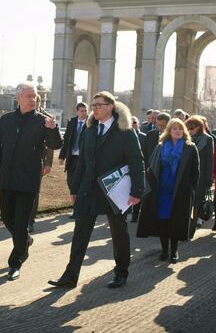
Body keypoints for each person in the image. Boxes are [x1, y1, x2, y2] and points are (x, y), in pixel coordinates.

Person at [48, 91, 145, 289]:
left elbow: (136, 161)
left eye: (98, 105)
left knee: (119, 232)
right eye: (93, 105)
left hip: (114, 190)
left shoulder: (125, 131)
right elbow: (82, 162)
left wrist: (137, 191)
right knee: (80, 233)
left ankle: (121, 273)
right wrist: (75, 188)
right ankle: (70, 275)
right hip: (88, 189)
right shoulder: (90, 130)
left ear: (110, 106)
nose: (94, 109)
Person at [0, 83, 62, 281]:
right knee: (6, 216)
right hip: (7, 179)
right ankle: (25, 241)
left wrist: (53, 129)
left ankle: (15, 262)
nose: (33, 100)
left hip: (29, 180)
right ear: (18, 97)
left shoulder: (43, 121)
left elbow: (56, 144)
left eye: (35, 97)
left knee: (21, 223)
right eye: (29, 96)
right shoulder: (6, 120)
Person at [137, 118, 199, 263]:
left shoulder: (190, 147)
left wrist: (190, 189)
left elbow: (195, 171)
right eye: (174, 129)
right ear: (169, 131)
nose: (177, 131)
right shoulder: (160, 146)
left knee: (176, 220)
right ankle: (165, 250)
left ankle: (174, 251)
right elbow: (151, 167)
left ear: (184, 131)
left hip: (180, 191)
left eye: (180, 128)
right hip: (161, 190)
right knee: (163, 220)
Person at [28, 94, 56, 232]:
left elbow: (51, 144)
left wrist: (48, 163)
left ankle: (30, 221)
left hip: (39, 160)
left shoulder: (47, 119)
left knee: (34, 191)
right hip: (23, 161)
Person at [185, 115, 214, 238]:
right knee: (186, 203)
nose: (190, 130)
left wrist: (209, 180)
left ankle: (191, 230)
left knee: (197, 204)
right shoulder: (186, 138)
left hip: (201, 177)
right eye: (189, 128)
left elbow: (209, 160)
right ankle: (184, 228)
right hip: (186, 175)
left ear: (200, 127)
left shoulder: (207, 139)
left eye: (193, 128)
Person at [59, 102, 89, 192]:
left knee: (81, 180)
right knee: (70, 181)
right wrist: (62, 156)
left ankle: (79, 202)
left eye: (85, 111)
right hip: (71, 157)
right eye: (81, 111)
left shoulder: (92, 123)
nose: (84, 113)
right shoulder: (71, 122)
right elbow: (66, 140)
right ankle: (75, 199)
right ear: (77, 111)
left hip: (83, 157)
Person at [130, 116, 147, 222]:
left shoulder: (144, 137)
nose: (132, 124)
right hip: (127, 169)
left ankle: (137, 216)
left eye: (135, 122)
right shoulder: (124, 136)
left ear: (138, 124)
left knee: (139, 192)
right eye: (130, 122)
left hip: (141, 169)